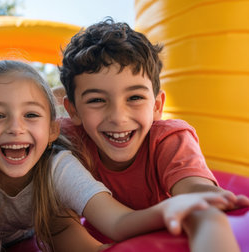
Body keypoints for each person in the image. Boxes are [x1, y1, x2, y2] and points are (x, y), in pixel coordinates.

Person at [0, 60, 240, 252]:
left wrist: (173, 207)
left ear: (53, 129)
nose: (15, 129)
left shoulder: (56, 164)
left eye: (31, 116)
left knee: (59, 222)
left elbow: (118, 222)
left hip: (31, 229)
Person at [59, 18, 249, 250]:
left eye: (135, 97)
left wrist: (208, 202)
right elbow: (56, 221)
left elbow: (195, 193)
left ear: (157, 106)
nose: (118, 117)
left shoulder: (168, 139)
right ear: (73, 111)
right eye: (97, 100)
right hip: (98, 236)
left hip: (164, 230)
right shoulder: (68, 141)